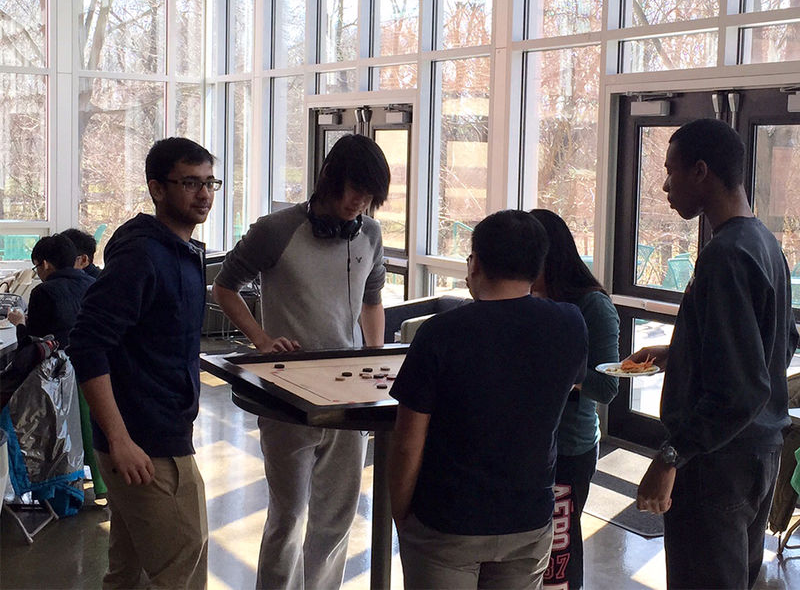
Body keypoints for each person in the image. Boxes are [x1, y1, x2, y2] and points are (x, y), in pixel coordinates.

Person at [212, 134, 390, 590]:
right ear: (330, 179)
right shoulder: (275, 229)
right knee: (289, 515)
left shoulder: (370, 234)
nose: (359, 204)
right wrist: (261, 339)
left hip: (350, 394)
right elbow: (224, 287)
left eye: (369, 197)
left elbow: (372, 301)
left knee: (337, 516)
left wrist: (375, 358)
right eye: (354, 191)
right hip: (287, 395)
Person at [629, 118, 799, 589]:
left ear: (701, 171)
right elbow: (777, 345)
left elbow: (738, 390)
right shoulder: (766, 244)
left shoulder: (725, 255)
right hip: (758, 457)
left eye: (670, 171)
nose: (664, 185)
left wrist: (669, 457)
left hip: (716, 467)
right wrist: (679, 351)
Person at [388, 210, 588, 590]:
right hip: (528, 518)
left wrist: (402, 515)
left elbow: (407, 441)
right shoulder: (570, 324)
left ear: (476, 261)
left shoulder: (440, 334)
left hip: (448, 521)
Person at [67, 137, 220, 589]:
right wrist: (120, 440)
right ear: (157, 188)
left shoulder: (181, 251)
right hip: (149, 447)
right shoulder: (143, 255)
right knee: (182, 572)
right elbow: (88, 343)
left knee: (126, 574)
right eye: (190, 183)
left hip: (152, 436)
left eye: (209, 182)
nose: (204, 194)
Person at [530, 209, 619, 590]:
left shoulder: (593, 307)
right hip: (531, 444)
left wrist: (563, 374)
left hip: (570, 447)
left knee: (560, 552)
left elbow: (607, 387)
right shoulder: (527, 299)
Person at [7, 233, 95, 347]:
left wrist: (20, 323)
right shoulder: (94, 284)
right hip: (91, 359)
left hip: (58, 361)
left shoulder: (43, 292)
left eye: (36, 267)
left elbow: (31, 346)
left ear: (45, 264)